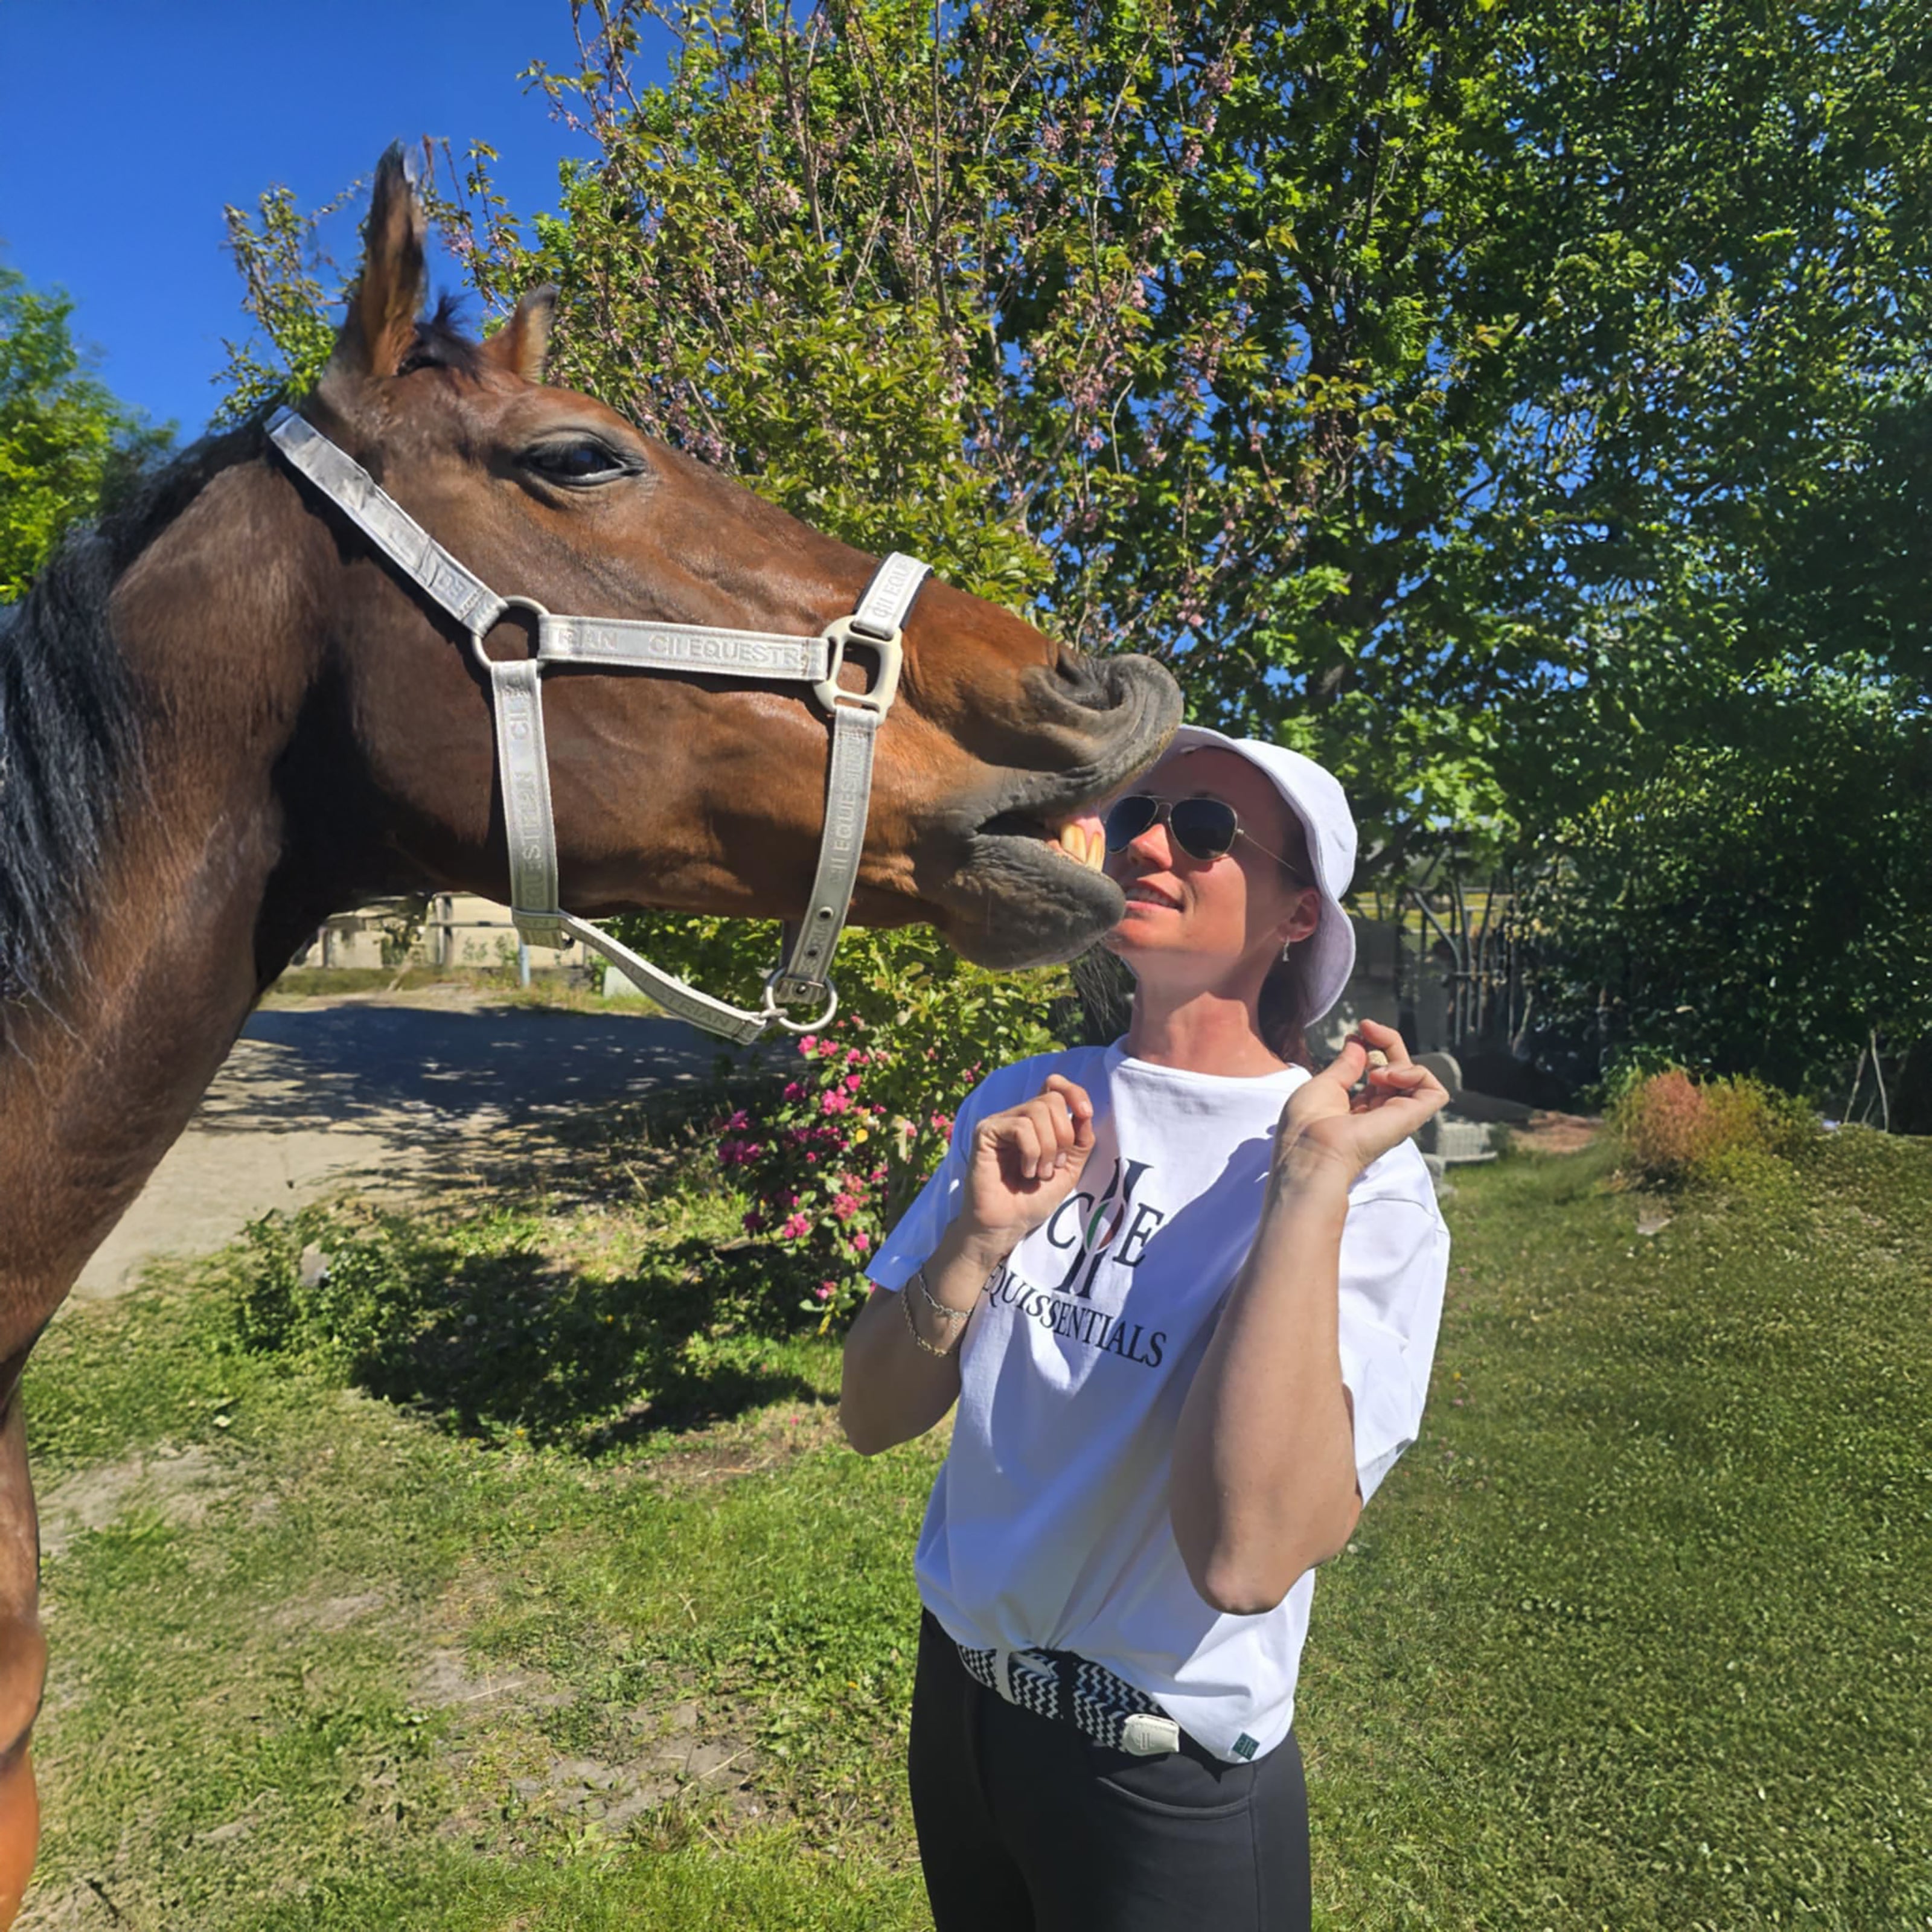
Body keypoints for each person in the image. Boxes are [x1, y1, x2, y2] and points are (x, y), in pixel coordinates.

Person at [839, 726, 1453, 1932]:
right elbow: (868, 1414)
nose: (1152, 845)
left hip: (1164, 1780)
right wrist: (976, 1241)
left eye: (1208, 830)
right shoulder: (1024, 1099)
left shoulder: (1361, 1179)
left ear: (1298, 917)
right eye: (1138, 817)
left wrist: (1304, 1184)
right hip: (960, 1713)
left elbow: (1245, 1559)